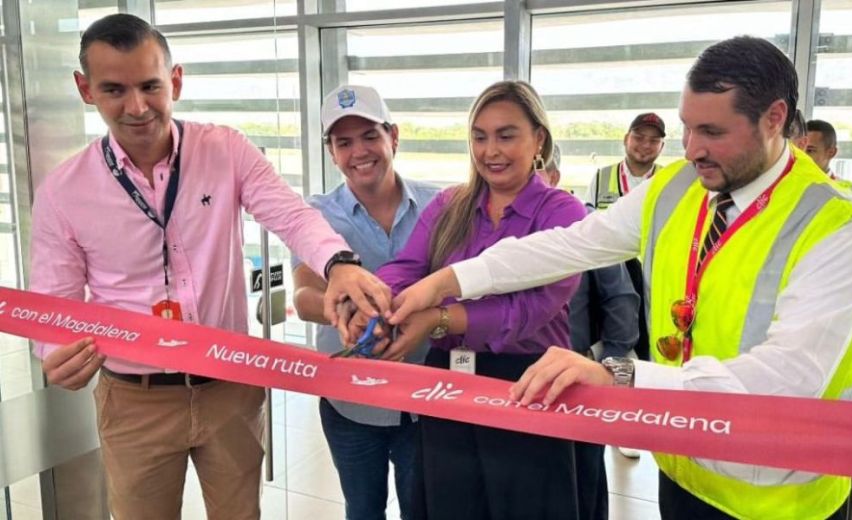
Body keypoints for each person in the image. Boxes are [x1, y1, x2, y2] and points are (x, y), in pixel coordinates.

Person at [381, 37, 852, 520]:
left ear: (774, 119)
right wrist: (448, 279)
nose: (691, 149)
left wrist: (621, 374)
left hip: (777, 495)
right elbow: (571, 245)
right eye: (688, 128)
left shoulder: (836, 228)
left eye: (712, 132)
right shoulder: (677, 187)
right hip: (685, 462)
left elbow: (787, 378)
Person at [29, 14, 390, 520]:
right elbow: (55, 304)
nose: (136, 107)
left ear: (175, 80)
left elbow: (290, 215)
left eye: (151, 86)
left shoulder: (224, 149)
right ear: (85, 90)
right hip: (136, 399)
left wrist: (340, 264)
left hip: (230, 387)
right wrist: (55, 353)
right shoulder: (64, 192)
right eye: (114, 89)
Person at [349, 80, 601, 519]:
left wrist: (436, 319)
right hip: (449, 383)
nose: (491, 151)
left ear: (538, 138)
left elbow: (528, 311)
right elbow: (408, 266)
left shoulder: (562, 213)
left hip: (528, 383)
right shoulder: (452, 203)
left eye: (507, 135)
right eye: (480, 137)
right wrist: (375, 305)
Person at [292, 84, 438, 520]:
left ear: (394, 136)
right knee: (363, 508)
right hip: (350, 402)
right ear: (331, 152)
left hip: (426, 398)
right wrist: (345, 313)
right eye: (343, 142)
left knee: (423, 509)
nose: (359, 151)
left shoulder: (441, 205)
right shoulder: (315, 215)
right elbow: (302, 297)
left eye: (370, 136)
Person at [543, 144, 646, 460]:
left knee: (583, 479)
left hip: (579, 379)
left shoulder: (586, 227)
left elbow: (622, 302)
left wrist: (603, 367)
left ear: (554, 176)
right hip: (522, 382)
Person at [587, 111, 666, 209]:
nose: (646, 145)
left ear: (661, 146)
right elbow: (589, 219)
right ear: (626, 139)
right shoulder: (602, 177)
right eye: (639, 138)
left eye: (654, 141)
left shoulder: (669, 179)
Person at [807, 119, 852, 212]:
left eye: (810, 151)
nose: (801, 156)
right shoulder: (785, 189)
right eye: (798, 150)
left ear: (831, 152)